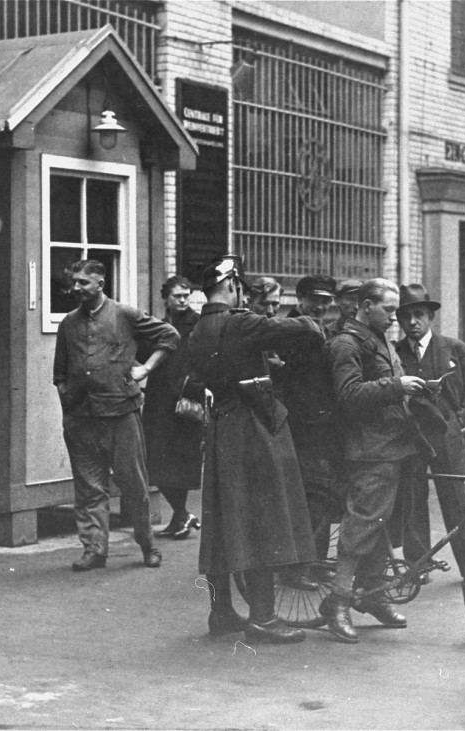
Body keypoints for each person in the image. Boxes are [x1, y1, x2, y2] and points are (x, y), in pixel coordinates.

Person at [184, 255, 324, 644]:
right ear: (233, 287)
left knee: (220, 525)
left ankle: (221, 611)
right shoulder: (240, 322)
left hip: (220, 430)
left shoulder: (199, 329)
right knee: (263, 522)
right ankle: (263, 617)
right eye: (240, 289)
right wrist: (307, 319)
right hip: (253, 431)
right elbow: (308, 330)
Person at [53, 260, 180, 571]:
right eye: (75, 282)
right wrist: (67, 403)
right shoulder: (68, 323)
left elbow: (170, 336)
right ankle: (94, 550)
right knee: (88, 489)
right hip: (81, 419)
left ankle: (148, 546)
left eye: (84, 282)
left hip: (121, 414)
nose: (77, 288)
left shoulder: (125, 314)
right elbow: (60, 373)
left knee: (134, 485)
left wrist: (146, 368)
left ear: (100, 283)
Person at [321, 278, 427, 643]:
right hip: (369, 450)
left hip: (393, 445)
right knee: (362, 523)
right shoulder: (347, 344)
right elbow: (348, 394)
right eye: (389, 310)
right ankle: (338, 603)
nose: (395, 317)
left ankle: (375, 595)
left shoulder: (378, 337)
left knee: (380, 522)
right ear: (366, 306)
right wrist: (398, 387)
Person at [393, 283, 465, 584]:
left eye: (419, 315)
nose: (412, 322)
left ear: (430, 316)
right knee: (413, 497)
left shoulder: (454, 348)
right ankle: (418, 565)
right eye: (406, 317)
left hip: (447, 436)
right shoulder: (396, 352)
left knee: (456, 498)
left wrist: (457, 422)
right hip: (411, 436)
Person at [278, 274, 340, 583]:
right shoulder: (287, 330)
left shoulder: (322, 330)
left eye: (327, 300)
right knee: (302, 500)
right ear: (299, 299)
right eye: (315, 299)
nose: (321, 305)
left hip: (320, 428)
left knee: (320, 498)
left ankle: (313, 562)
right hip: (297, 427)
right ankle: (294, 569)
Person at [140, 276, 202, 540]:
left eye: (186, 295)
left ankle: (180, 516)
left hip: (185, 399)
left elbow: (205, 358)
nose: (182, 300)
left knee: (182, 459)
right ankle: (181, 514)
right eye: (177, 296)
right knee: (153, 456)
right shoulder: (157, 324)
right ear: (166, 297)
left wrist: (192, 384)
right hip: (158, 399)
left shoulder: (197, 325)